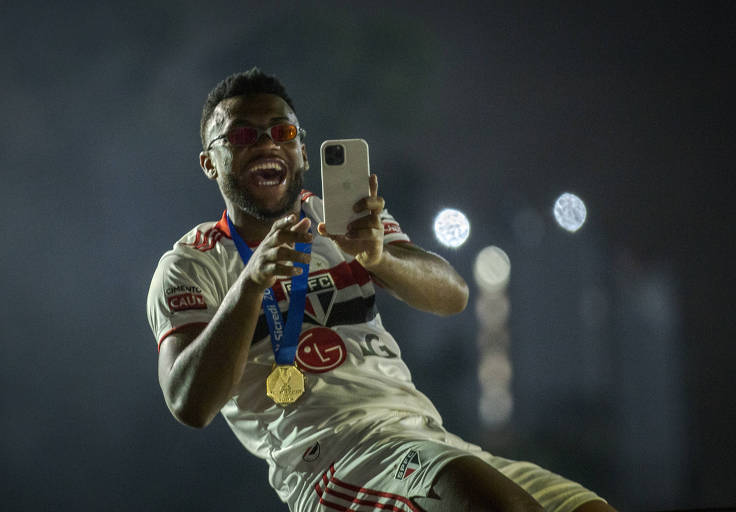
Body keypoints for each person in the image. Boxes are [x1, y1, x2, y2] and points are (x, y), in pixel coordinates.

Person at [147, 67, 616, 512]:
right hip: (337, 459)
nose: (267, 142)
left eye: (282, 132)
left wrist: (379, 257)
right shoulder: (191, 263)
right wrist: (250, 285)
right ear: (210, 163)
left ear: (303, 153)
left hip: (428, 436)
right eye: (243, 135)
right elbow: (190, 403)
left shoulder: (338, 218)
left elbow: (453, 296)